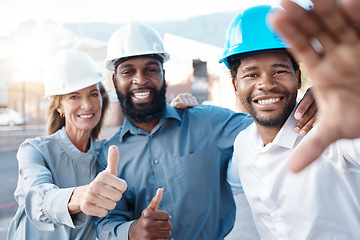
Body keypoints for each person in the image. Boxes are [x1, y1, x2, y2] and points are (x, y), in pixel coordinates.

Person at [95, 22, 317, 239]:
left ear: (164, 74)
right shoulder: (108, 154)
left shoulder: (208, 122)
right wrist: (131, 232)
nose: (140, 79)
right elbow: (105, 222)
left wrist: (318, 103)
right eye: (128, 71)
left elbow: (271, 119)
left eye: (150, 70)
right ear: (115, 80)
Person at [225, 3, 360, 239]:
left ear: (298, 78)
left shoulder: (333, 134)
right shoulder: (242, 145)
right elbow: (238, 195)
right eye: (251, 74)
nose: (266, 84)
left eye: (279, 71)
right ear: (236, 85)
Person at [7, 50, 127, 240]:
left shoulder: (105, 154)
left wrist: (180, 112)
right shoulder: (34, 150)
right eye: (74, 96)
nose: (87, 105)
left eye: (93, 94)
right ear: (59, 106)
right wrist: (80, 196)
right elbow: (38, 198)